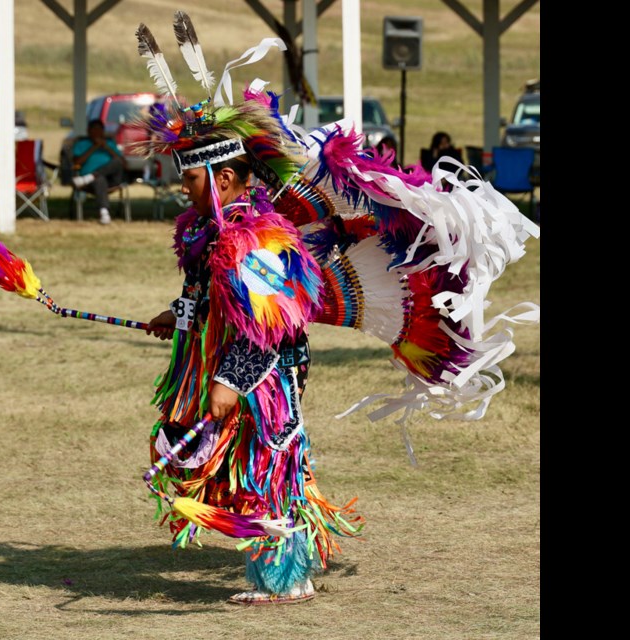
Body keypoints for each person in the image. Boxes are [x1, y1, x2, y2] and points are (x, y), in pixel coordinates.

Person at [130, 10, 540, 607]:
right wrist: (180, 312)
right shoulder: (206, 230)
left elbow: (267, 323)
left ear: (223, 180)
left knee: (272, 454)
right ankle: (280, 568)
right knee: (252, 456)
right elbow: (209, 289)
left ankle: (285, 576)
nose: (183, 187)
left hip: (265, 368)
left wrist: (227, 382)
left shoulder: (256, 237)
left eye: (191, 177)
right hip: (229, 359)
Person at [71, 119, 127, 224]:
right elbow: (77, 163)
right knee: (99, 179)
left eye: (99, 130)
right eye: (94, 130)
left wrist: (106, 147)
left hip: (111, 179)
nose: (97, 132)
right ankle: (104, 212)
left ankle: (91, 176)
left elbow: (123, 164)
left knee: (117, 162)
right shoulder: (81, 144)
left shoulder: (110, 143)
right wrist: (94, 146)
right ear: (88, 131)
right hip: (92, 183)